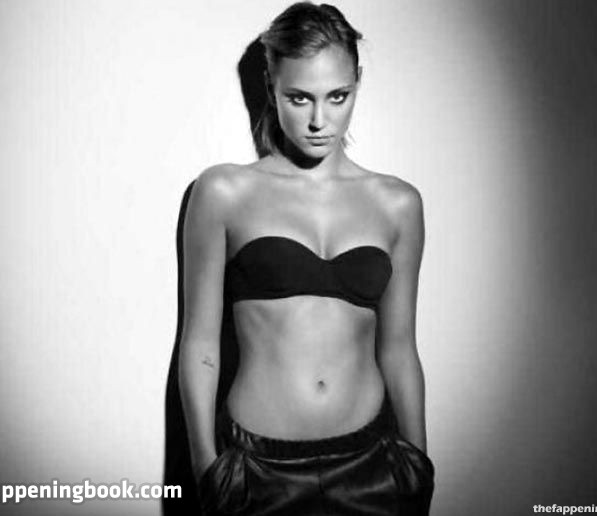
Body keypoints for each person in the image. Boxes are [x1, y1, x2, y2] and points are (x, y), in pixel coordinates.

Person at [177, 2, 434, 514]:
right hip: (257, 473)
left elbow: (399, 348)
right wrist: (208, 470)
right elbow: (200, 343)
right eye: (299, 98)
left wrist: (418, 468)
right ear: (270, 85)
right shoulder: (224, 192)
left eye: (337, 96)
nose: (319, 120)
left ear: (357, 84)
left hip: (374, 468)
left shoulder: (398, 204)